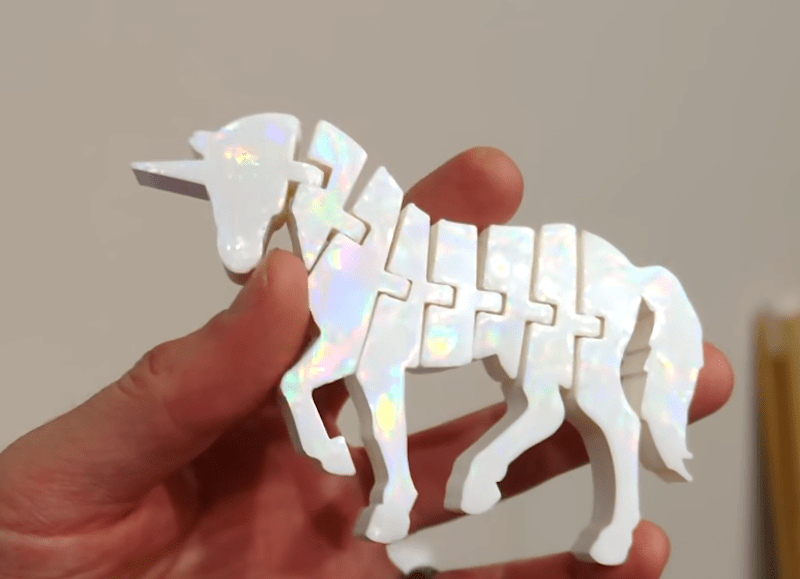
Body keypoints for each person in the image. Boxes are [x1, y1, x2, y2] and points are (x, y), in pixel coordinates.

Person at [0, 148, 734, 578]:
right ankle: (413, 483)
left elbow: (369, 367)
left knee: (590, 407)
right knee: (321, 377)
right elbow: (355, 363)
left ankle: (608, 510)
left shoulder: (380, 273)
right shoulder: (348, 274)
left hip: (510, 302)